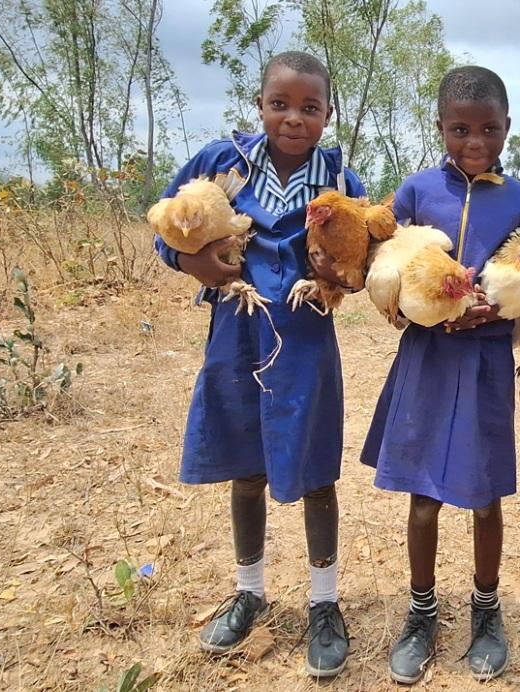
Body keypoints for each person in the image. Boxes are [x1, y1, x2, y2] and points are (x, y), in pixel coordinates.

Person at [153, 51, 363, 678]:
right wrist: (191, 262)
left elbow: (364, 261)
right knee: (245, 464)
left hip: (306, 335)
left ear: (327, 114)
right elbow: (169, 226)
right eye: (280, 104)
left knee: (316, 466)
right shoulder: (223, 164)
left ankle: (324, 603)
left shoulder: (339, 180)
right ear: (259, 106)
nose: (294, 118)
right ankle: (249, 591)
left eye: (309, 108)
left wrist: (340, 276)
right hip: (236, 331)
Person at [360, 65, 520, 684]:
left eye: (489, 129)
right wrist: (410, 307)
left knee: (483, 493)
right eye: (460, 129)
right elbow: (384, 260)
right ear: (441, 126)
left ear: (507, 126)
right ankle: (421, 611)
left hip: (486, 360)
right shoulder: (417, 192)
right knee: (422, 494)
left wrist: (501, 306)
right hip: (426, 357)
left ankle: (486, 609)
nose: (476, 142)